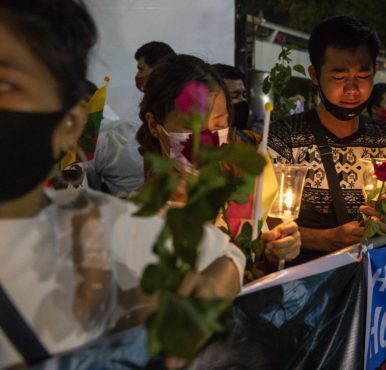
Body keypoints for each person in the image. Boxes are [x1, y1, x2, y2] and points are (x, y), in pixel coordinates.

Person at [0, 1, 244, 368]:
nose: (207, 137)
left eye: (5, 83)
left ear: (70, 123)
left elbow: (227, 258)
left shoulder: (108, 229)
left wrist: (211, 289)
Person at [267, 16, 386, 264]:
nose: (352, 89)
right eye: (339, 78)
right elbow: (268, 225)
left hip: (375, 283)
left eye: (362, 76)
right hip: (309, 282)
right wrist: (327, 239)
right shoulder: (284, 136)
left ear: (375, 72)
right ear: (315, 75)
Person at [136, 55, 301, 271]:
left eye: (219, 125)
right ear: (154, 125)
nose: (207, 140)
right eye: (190, 126)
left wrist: (274, 250)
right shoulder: (138, 219)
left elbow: (258, 259)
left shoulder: (241, 195)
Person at [212, 63, 251, 131]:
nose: (242, 100)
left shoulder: (246, 137)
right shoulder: (202, 139)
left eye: (244, 95)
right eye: (234, 96)